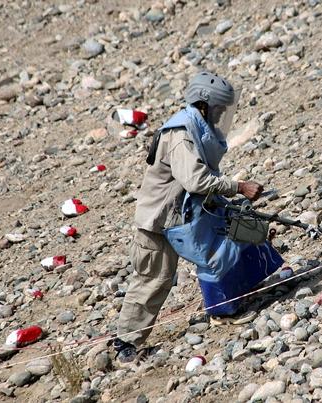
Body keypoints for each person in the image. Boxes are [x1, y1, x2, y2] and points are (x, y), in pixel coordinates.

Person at [113, 71, 263, 364]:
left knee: (218, 252)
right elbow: (195, 180)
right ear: (204, 105)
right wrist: (238, 187)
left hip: (182, 216)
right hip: (159, 222)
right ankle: (125, 343)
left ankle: (224, 310)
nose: (221, 116)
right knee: (154, 280)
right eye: (218, 109)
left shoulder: (195, 127)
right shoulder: (181, 134)